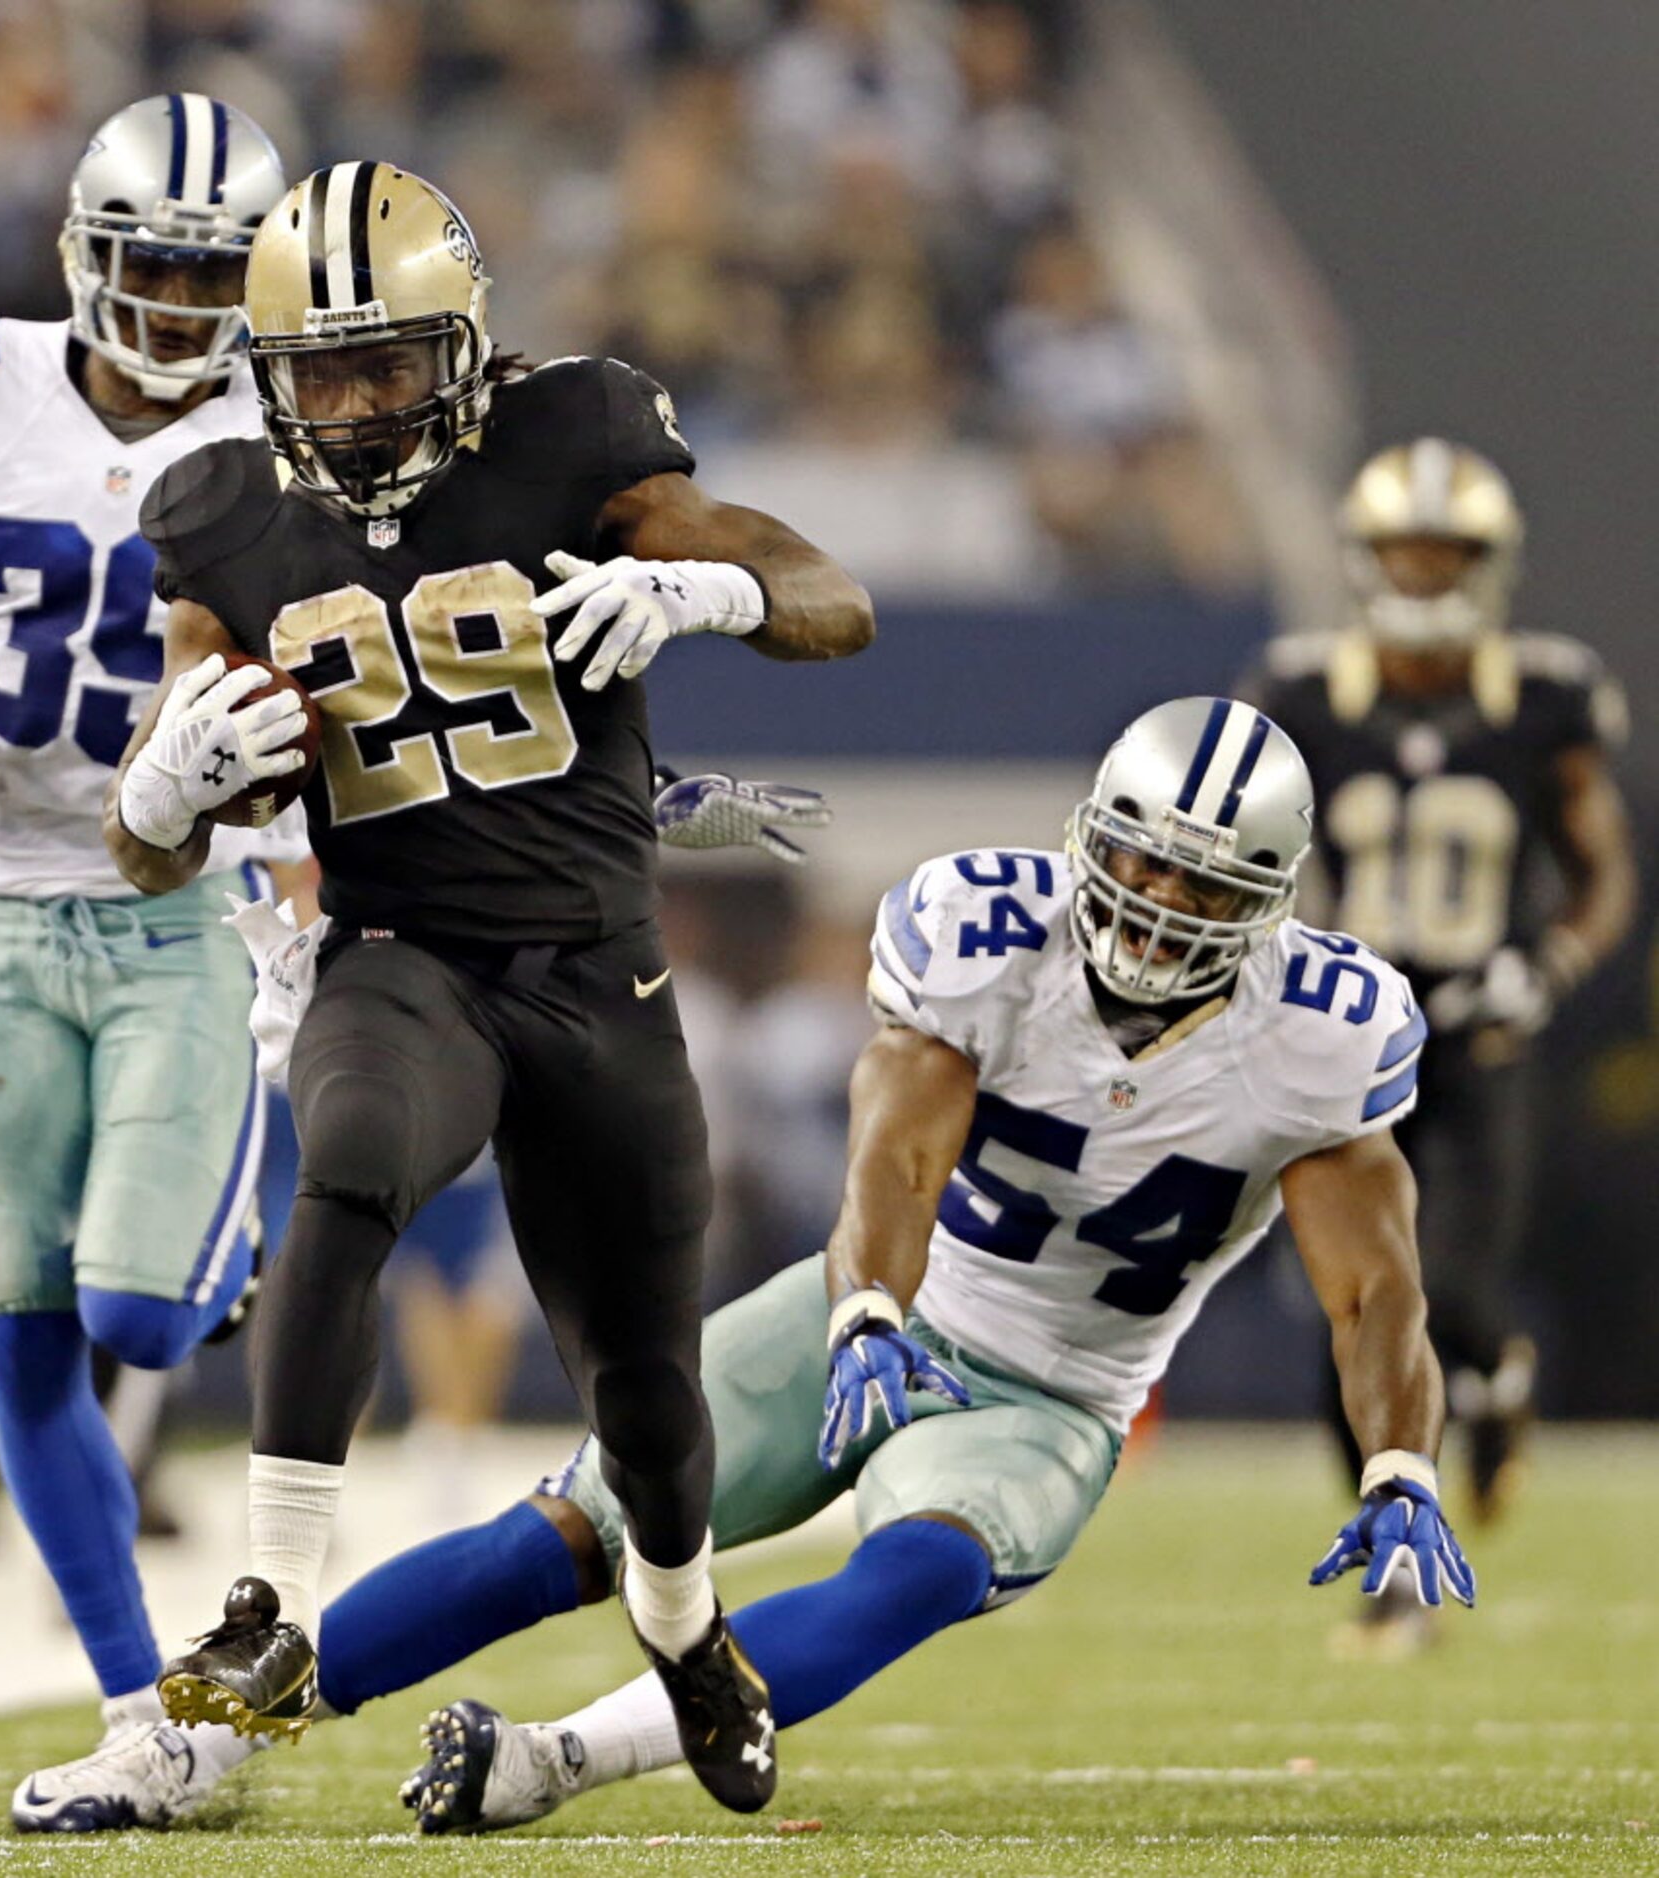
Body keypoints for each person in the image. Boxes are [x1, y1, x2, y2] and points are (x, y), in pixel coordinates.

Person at [229, 695, 1472, 1837]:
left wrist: (1401, 1458)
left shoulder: (1322, 1033)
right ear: (1091, 834)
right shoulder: (988, 935)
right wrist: (870, 1307)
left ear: (1267, 903)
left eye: (1200, 885)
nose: (1155, 901)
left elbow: (1375, 1290)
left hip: (1052, 1395)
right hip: (871, 1311)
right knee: (567, 1533)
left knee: (919, 1568)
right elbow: (897, 1164)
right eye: (1141, 856)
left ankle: (553, 1760)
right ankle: (203, 1738)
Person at [105, 160, 874, 1816]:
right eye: (321, 371)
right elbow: (159, 830)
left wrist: (697, 587)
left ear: (464, 348)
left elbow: (833, 598)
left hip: (600, 973)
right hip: (402, 955)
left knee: (650, 1407)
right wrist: (167, 786)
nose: (359, 404)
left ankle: (686, 1629)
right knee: (355, 1157)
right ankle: (272, 1601)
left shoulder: (574, 438)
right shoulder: (225, 510)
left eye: (388, 364)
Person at [0, 96, 320, 1833]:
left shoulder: (283, 416)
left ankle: (214, 1242)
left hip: (188, 897)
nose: (177, 307)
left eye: (205, 271)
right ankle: (139, 1710)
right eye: (149, 265)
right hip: (4, 900)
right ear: (84, 256)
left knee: (135, 1310)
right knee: (14, 1325)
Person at [1242, 440, 1634, 1642]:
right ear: (1367, 559)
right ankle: (1391, 1567)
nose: (1423, 571)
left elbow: (1601, 871)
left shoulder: (1543, 696)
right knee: (1345, 1309)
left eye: (1446, 552)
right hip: (1350, 1041)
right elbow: (1251, 850)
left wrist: (1550, 964)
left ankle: (1494, 1367)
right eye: (1406, 549)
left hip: (1480, 1039)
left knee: (1448, 1287)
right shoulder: (1303, 693)